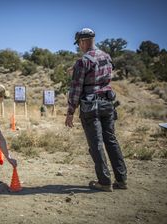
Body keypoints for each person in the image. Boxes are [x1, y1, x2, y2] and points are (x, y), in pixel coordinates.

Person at [65, 28, 127, 192]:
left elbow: (76, 89)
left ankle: (104, 182)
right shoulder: (107, 57)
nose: (79, 46)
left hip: (90, 106)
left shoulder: (82, 61)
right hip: (107, 103)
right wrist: (78, 67)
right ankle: (121, 180)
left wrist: (70, 111)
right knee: (111, 141)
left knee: (96, 144)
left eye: (79, 43)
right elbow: (103, 75)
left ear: (83, 41)